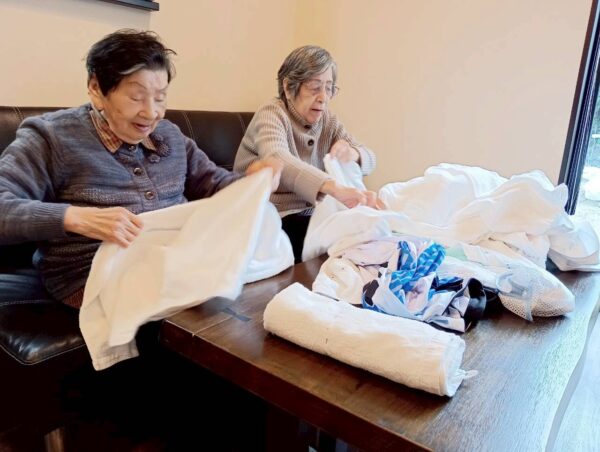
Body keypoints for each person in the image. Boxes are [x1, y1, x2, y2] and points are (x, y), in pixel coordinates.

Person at [0, 29, 280, 309]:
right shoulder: (51, 137)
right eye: (136, 97)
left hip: (176, 260)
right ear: (96, 89)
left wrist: (253, 183)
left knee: (263, 290)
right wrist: (77, 218)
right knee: (222, 309)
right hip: (93, 277)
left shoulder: (169, 135)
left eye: (160, 98)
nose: (151, 112)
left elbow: (215, 183)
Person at [234, 45, 377, 262]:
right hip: (273, 215)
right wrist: (334, 188)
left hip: (312, 214)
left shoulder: (327, 120)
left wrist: (354, 153)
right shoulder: (272, 113)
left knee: (369, 231)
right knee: (345, 241)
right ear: (288, 86)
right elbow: (278, 159)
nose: (323, 97)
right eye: (314, 87)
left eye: (329, 88)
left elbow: (370, 158)